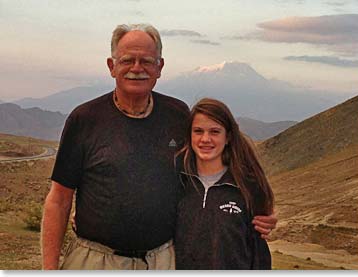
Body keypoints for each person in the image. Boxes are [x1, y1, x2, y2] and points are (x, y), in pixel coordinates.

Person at [41, 23, 277, 270]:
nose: (136, 68)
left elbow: (213, 163)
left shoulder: (177, 115)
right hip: (95, 260)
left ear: (160, 67)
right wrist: (49, 268)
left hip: (161, 260)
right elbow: (58, 199)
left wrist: (259, 207)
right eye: (127, 60)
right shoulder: (84, 119)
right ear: (112, 66)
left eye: (146, 61)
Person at [174, 98, 274, 269]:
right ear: (189, 135)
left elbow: (259, 251)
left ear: (227, 137)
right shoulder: (177, 180)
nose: (205, 139)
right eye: (198, 131)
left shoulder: (247, 186)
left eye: (214, 132)